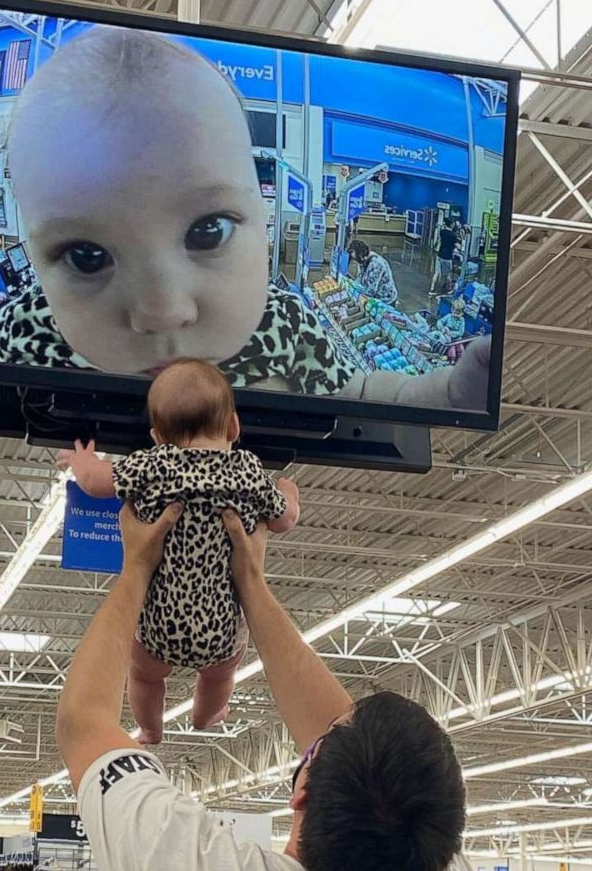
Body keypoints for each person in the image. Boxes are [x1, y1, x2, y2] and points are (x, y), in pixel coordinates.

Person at [0, 27, 490, 412]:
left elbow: (363, 387)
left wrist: (444, 390)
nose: (163, 310)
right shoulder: (35, 324)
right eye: (87, 257)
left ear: (265, 224)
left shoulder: (283, 325)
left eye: (207, 231)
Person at [56, 504, 467, 871]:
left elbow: (84, 721)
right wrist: (248, 583)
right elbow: (361, 766)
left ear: (302, 794)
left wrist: (139, 568)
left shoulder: (178, 852)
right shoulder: (425, 849)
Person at [58, 360, 300, 745]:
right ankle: (207, 715)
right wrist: (288, 492)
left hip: (158, 626)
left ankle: (151, 728)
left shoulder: (153, 465)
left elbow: (95, 483)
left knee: (144, 676)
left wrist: (82, 461)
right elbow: (284, 519)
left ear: (156, 437)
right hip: (220, 630)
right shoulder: (248, 472)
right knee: (220, 675)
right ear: (234, 426)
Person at [347, 239, 398, 303]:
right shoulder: (363, 261)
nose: (356, 262)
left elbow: (370, 291)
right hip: (375, 297)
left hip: (385, 299)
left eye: (356, 259)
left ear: (361, 256)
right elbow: (360, 279)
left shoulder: (376, 264)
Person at [431, 218, 459, 295]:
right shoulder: (453, 235)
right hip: (447, 257)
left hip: (440, 255)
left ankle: (432, 289)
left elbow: (439, 241)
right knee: (448, 274)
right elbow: (457, 245)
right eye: (453, 223)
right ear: (451, 224)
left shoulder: (442, 232)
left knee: (436, 272)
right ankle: (449, 289)